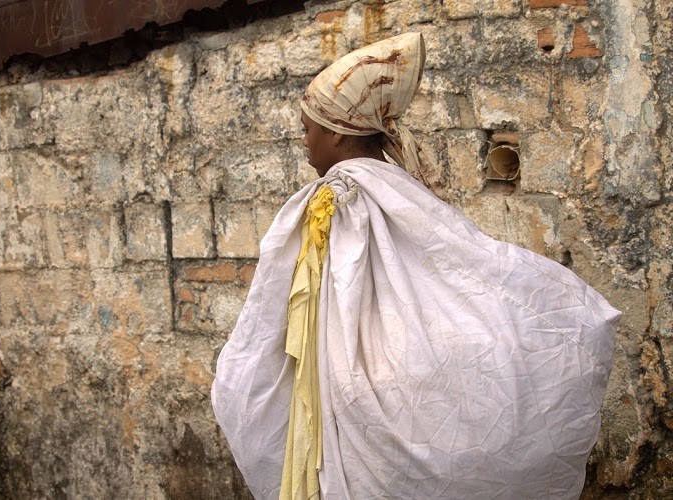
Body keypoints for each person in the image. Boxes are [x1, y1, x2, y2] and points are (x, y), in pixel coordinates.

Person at [211, 32, 621, 500]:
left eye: (309, 129)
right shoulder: (401, 188)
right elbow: (466, 263)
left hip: (354, 395)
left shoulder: (335, 198)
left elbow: (303, 309)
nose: (304, 142)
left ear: (338, 132)